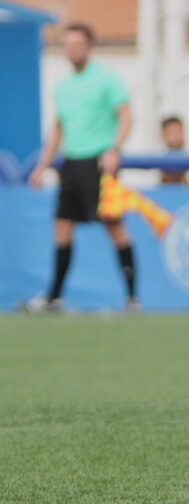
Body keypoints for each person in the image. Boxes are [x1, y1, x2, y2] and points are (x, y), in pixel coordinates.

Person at [25, 23, 138, 313]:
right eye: (67, 45)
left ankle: (131, 298)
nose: (72, 50)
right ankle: (54, 298)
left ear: (90, 47)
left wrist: (113, 149)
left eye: (77, 44)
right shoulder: (62, 87)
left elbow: (126, 116)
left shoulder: (106, 79)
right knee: (62, 228)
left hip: (99, 163)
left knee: (114, 227)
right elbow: (58, 129)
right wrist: (42, 166)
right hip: (71, 164)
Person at [159, 115, 189, 185]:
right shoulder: (155, 165)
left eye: (179, 132)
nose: (177, 137)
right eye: (173, 132)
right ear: (163, 135)